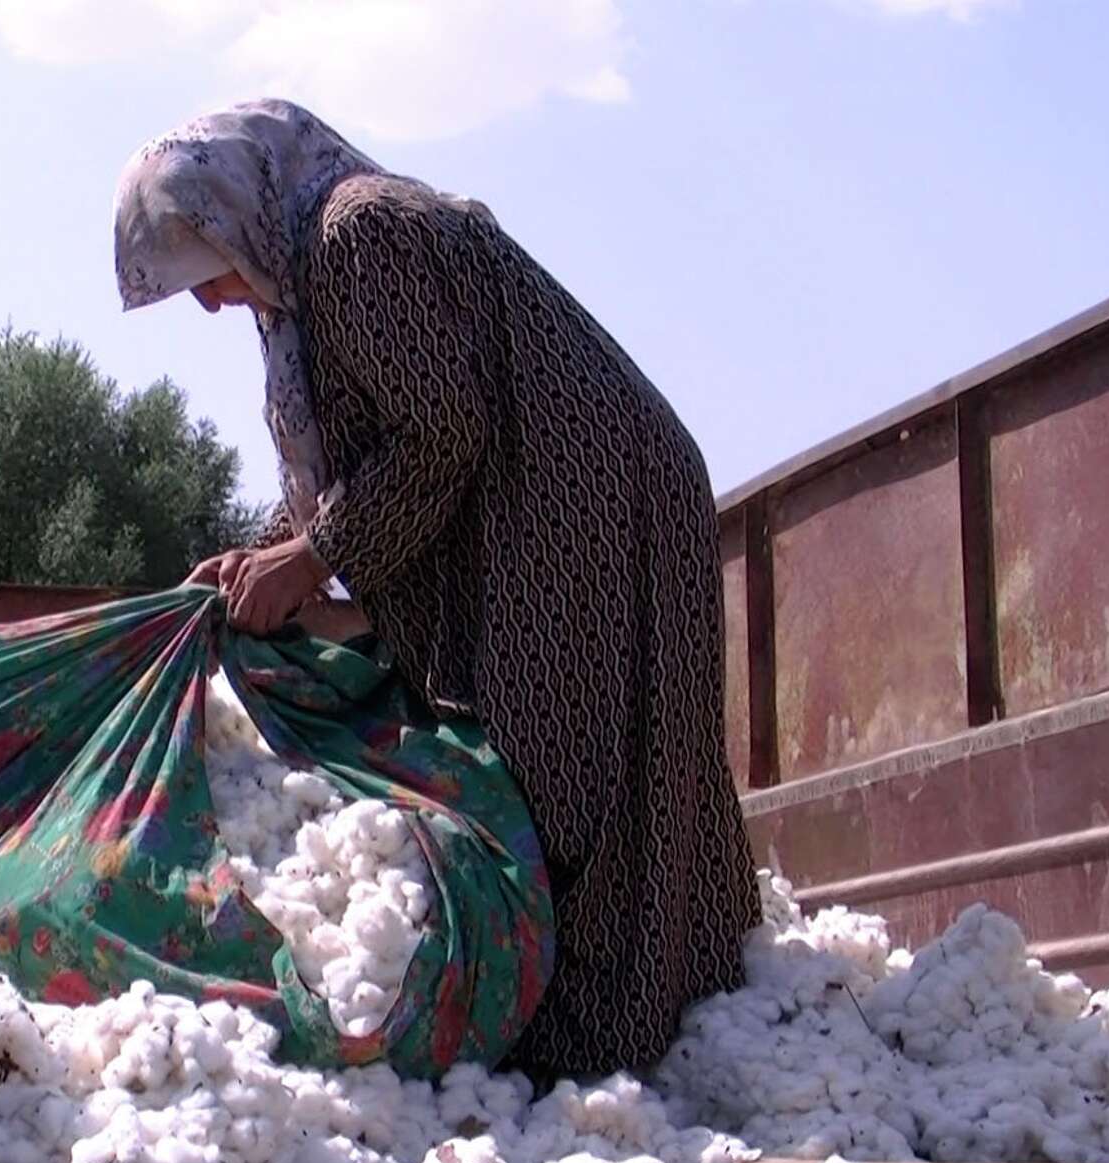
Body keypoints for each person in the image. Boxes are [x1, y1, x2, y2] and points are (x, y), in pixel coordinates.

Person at [111, 98, 759, 1078]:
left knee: (568, 772)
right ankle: (614, 1029)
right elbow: (351, 455)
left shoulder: (356, 235)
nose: (206, 305)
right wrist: (261, 555)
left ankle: (633, 1038)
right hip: (533, 509)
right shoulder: (299, 286)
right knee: (546, 771)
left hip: (584, 502)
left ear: (239, 211)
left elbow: (438, 431)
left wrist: (308, 559)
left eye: (204, 272)